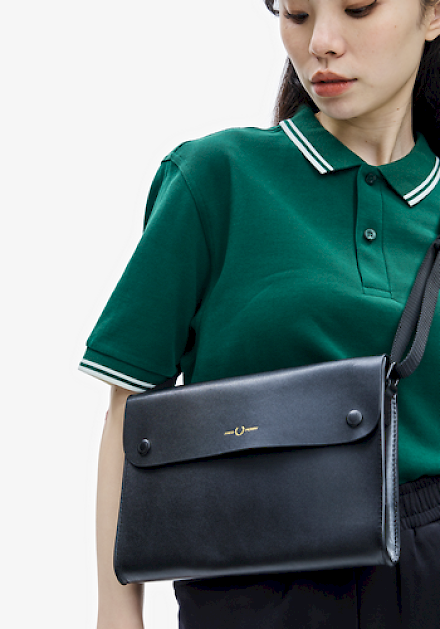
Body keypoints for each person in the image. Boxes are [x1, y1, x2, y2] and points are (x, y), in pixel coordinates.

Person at [80, 1, 440, 627]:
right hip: (256, 575)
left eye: (357, 8)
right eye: (296, 13)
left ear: (432, 14)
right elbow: (130, 420)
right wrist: (117, 616)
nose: (322, 42)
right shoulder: (215, 178)